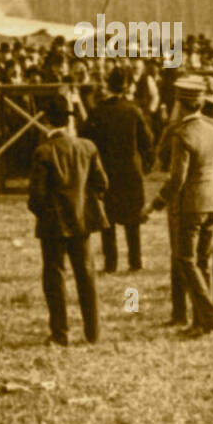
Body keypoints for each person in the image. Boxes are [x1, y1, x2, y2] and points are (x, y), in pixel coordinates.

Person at [27, 92, 109, 346]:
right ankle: (93, 332)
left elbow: (36, 197)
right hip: (82, 222)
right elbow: (102, 183)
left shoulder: (43, 151)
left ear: (47, 122)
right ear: (68, 120)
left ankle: (60, 333)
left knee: (54, 278)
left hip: (53, 225)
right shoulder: (87, 147)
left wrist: (44, 214)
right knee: (86, 275)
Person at [153, 74, 213, 336]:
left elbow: (177, 179)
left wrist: (158, 201)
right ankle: (199, 321)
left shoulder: (182, 134)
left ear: (180, 104)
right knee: (203, 263)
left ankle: (209, 316)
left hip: (191, 205)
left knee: (185, 260)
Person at [83, 67, 153, 273]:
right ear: (128, 86)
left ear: (108, 84)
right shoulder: (134, 111)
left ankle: (110, 263)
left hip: (106, 171)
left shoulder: (98, 111)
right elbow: (147, 142)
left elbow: (86, 139)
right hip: (131, 172)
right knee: (133, 221)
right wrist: (146, 165)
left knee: (108, 221)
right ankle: (135, 261)